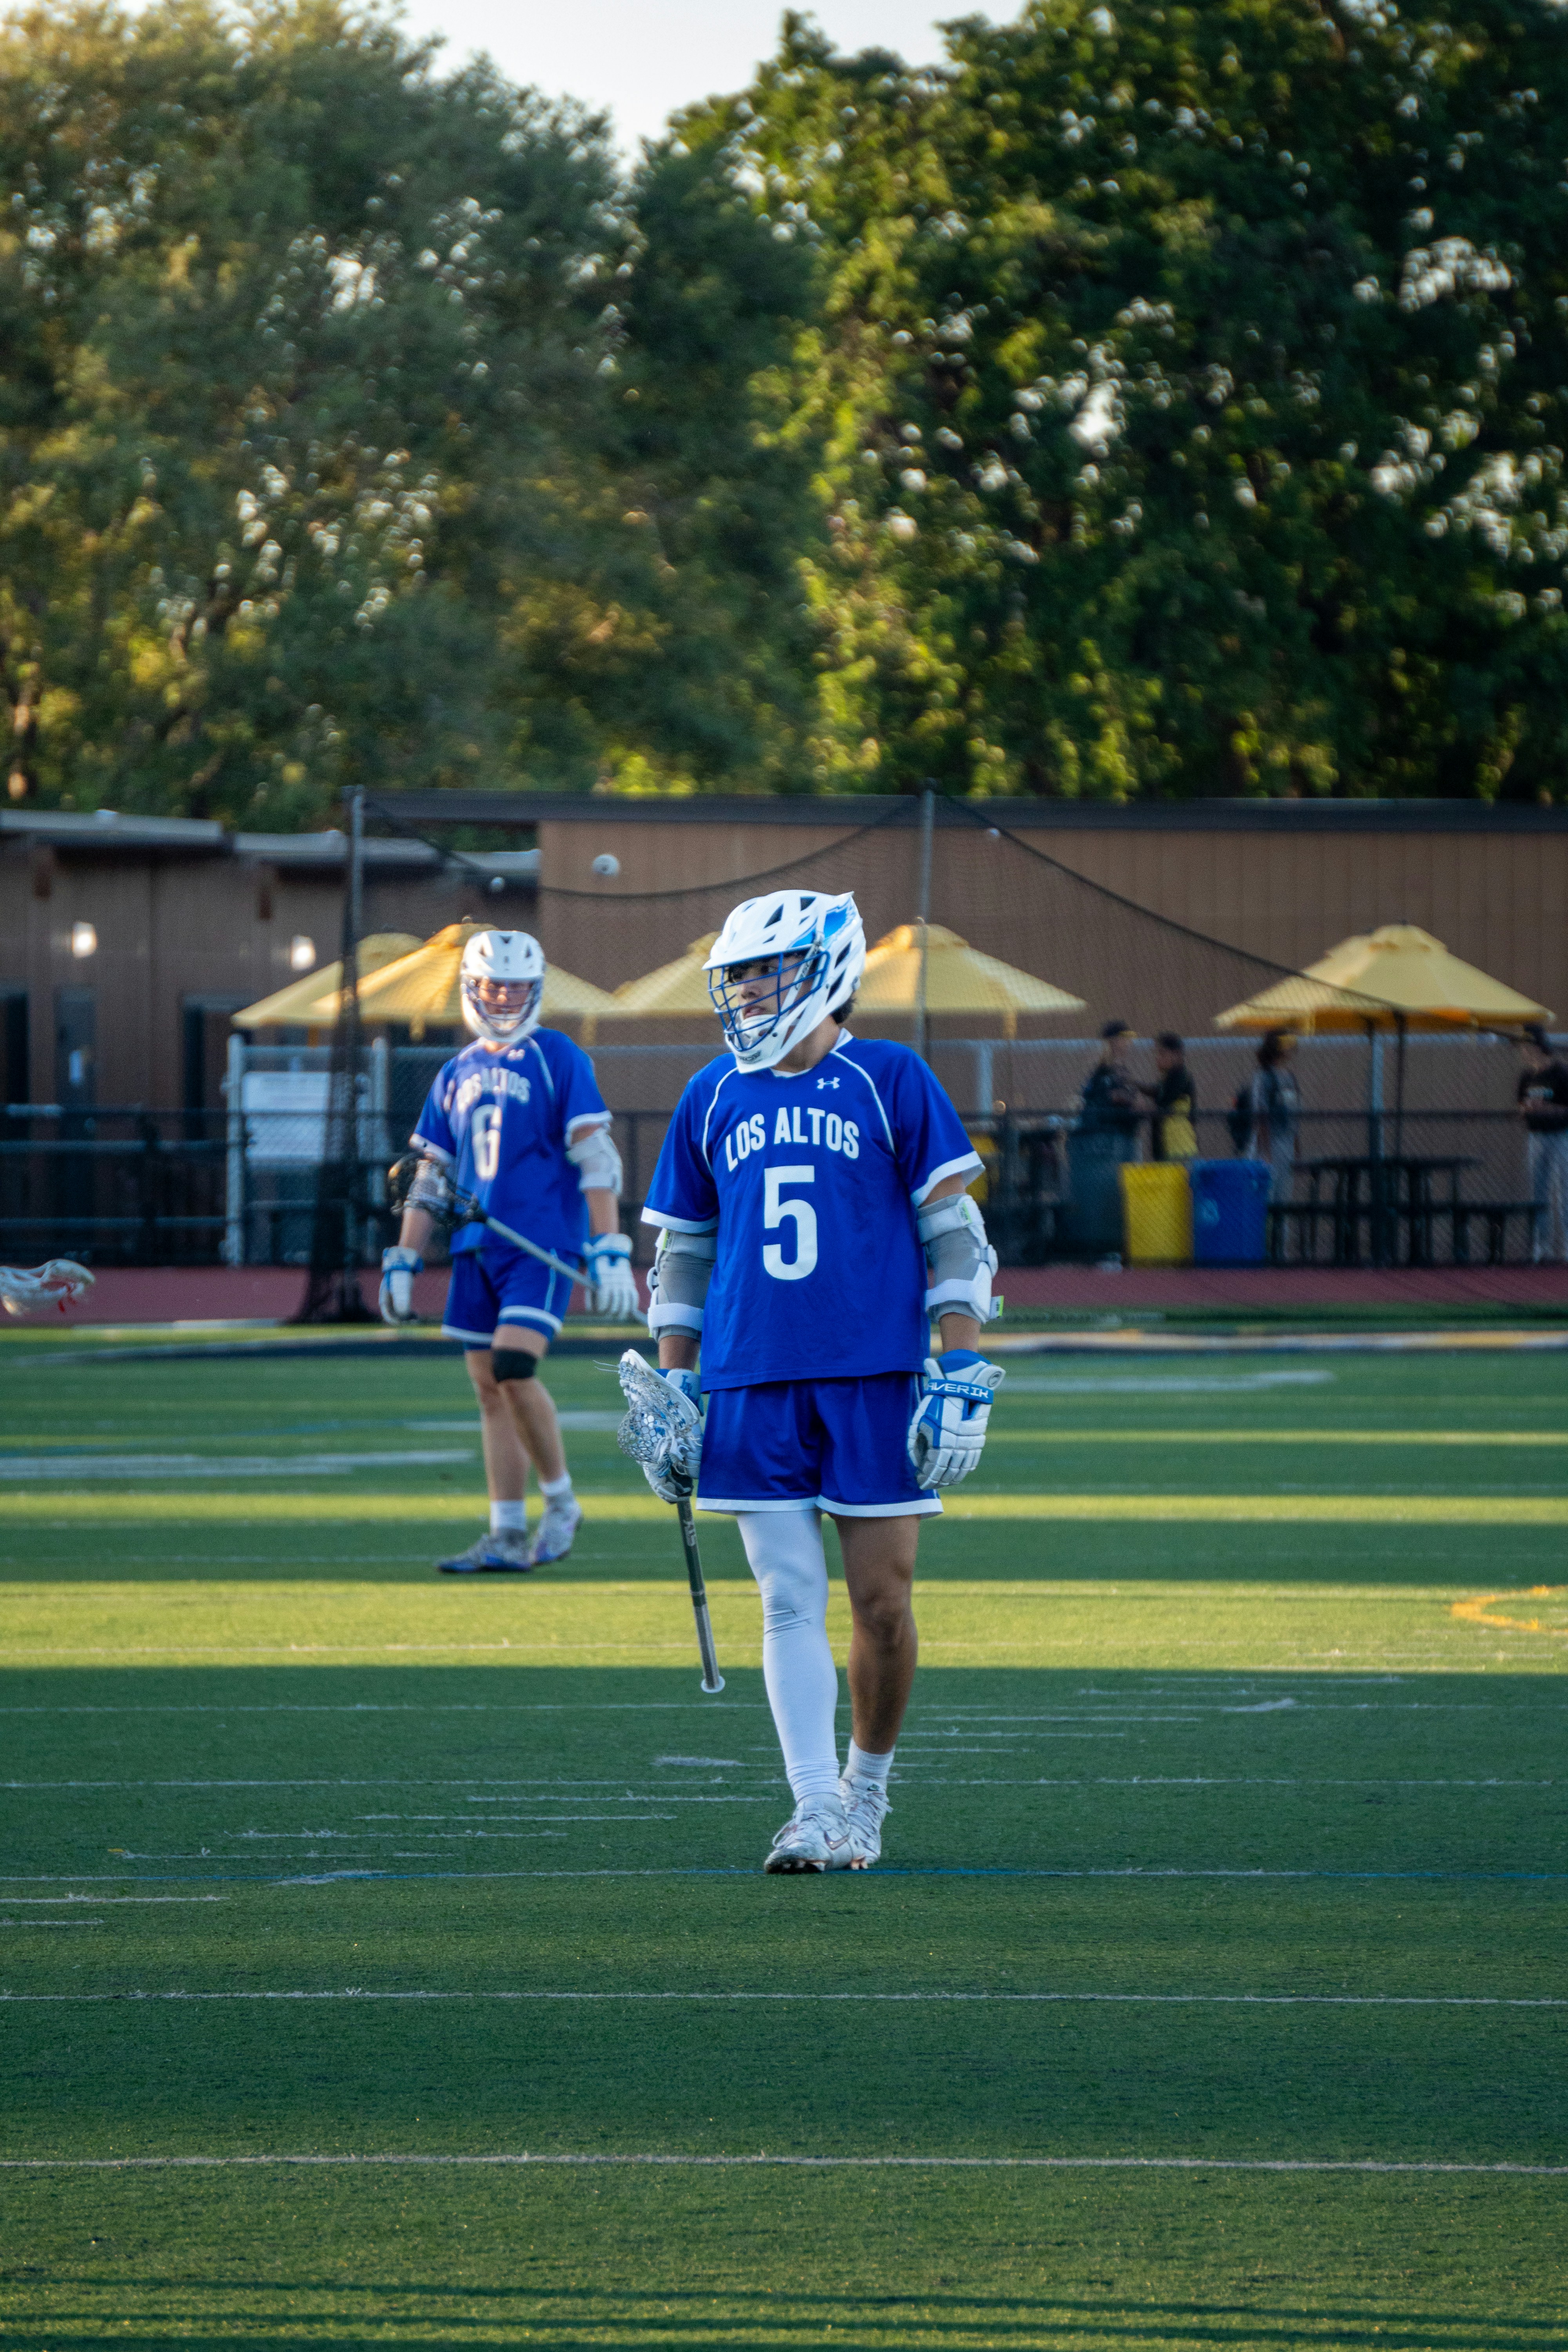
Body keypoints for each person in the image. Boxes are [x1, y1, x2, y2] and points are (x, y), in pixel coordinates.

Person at [637, 888, 1003, 1874]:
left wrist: (959, 1357)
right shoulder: (710, 1093)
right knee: (788, 1596)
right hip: (751, 1378)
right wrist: (676, 1388)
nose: (749, 991)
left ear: (828, 968)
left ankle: (865, 1796)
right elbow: (682, 1256)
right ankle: (809, 1809)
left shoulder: (888, 1076)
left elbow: (951, 1231)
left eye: (767, 970)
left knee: (880, 1602)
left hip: (873, 1373)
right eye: (740, 975)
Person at [381, 929, 639, 1573]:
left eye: (518, 986)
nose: (505, 996)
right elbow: (431, 1179)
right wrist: (405, 1259)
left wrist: (607, 1246)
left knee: (514, 1369)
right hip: (476, 1246)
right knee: (489, 1388)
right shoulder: (455, 1071)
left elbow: (595, 1157)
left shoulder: (557, 1055)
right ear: (471, 989)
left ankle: (559, 1502)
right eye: (494, 984)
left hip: (540, 1241)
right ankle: (504, 1531)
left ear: (537, 988)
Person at [1515, 1024, 1568, 1262]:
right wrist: (1527, 1109)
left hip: (1560, 1137)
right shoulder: (1527, 1077)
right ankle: (1541, 1247)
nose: (1523, 1051)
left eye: (1526, 1046)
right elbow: (1521, 1107)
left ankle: (1567, 1247)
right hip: (1536, 1139)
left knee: (1564, 1193)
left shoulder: (1561, 1074)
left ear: (1538, 1046)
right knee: (1539, 1194)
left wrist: (1547, 1108)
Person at [1248, 1029, 1300, 1200]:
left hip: (1287, 1144)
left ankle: (1281, 1227)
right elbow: (1260, 1113)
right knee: (1267, 1197)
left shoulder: (1290, 1078)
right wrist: (1267, 1153)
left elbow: (1294, 1115)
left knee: (1284, 1196)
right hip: (1270, 1144)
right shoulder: (1264, 1077)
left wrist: (1296, 1146)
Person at [1077, 1020, 1142, 1139]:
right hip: (1107, 1134)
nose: (1129, 1043)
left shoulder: (1122, 1070)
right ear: (1114, 1041)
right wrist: (1131, 1101)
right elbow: (1109, 1096)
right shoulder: (1104, 1071)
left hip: (1123, 1134)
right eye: (1125, 1039)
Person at [1139, 1033, 1198, 1162]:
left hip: (1179, 1149)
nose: (1157, 1059)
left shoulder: (1180, 1077)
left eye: (1162, 1054)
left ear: (1176, 1055)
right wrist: (1134, 1085)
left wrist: (1140, 1107)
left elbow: (1162, 1105)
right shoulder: (1168, 1078)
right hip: (1168, 1148)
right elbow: (1157, 1091)